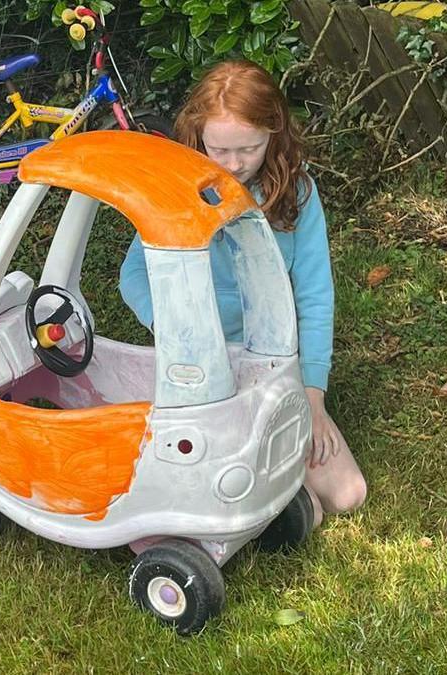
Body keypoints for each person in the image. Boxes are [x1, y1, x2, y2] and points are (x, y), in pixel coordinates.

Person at [118, 59, 366, 526]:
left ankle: (279, 494)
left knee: (347, 494)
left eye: (248, 149)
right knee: (224, 475)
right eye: (219, 150)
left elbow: (315, 297)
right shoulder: (178, 189)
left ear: (274, 133)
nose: (233, 164)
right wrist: (179, 334)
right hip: (200, 367)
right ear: (197, 137)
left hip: (272, 362)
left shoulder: (297, 193)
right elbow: (133, 275)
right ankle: (275, 501)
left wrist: (312, 398)